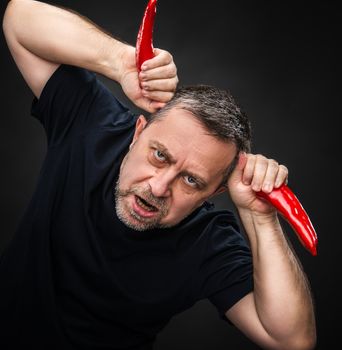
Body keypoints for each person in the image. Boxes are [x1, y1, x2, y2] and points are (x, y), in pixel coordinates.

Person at [1, 1, 316, 349]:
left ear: (212, 194)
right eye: (160, 155)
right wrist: (119, 61)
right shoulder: (93, 126)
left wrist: (261, 219)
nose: (159, 186)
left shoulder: (207, 241)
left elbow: (292, 342)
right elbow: (20, 18)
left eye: (191, 180)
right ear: (137, 132)